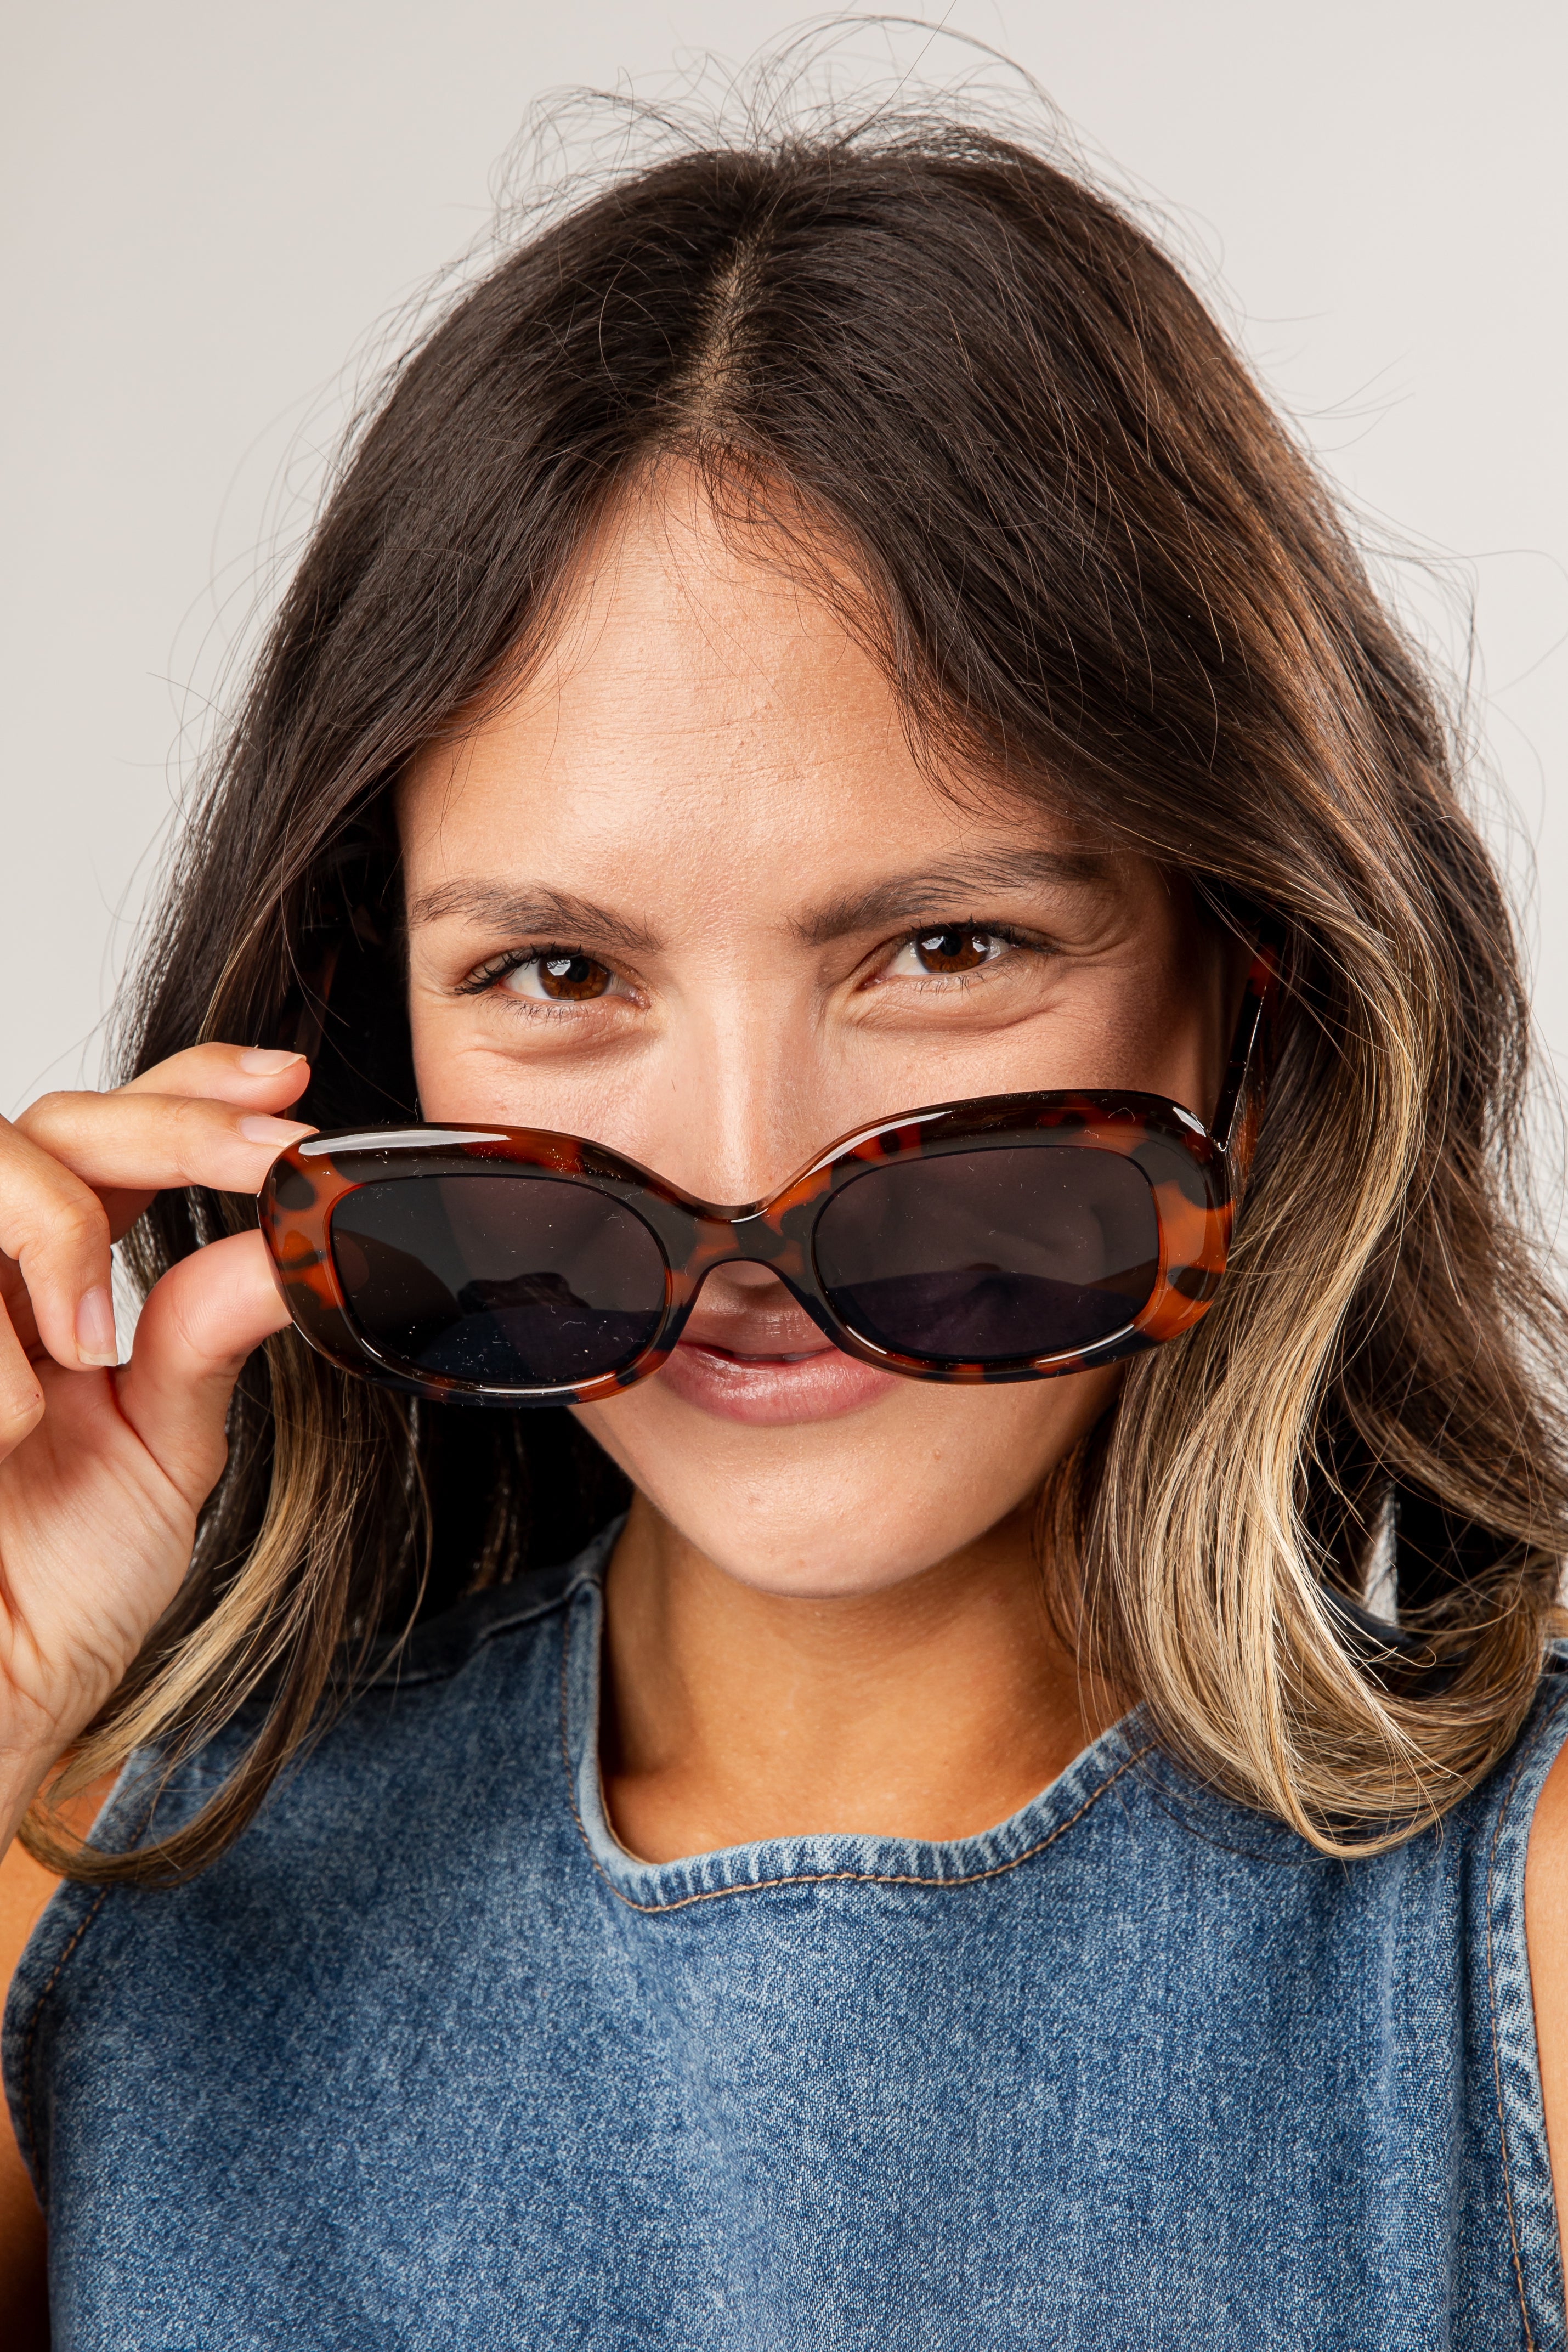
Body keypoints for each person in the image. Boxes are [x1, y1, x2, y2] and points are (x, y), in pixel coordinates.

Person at [2, 116, 1567, 2349]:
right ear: (381, 1048)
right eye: (557, 973)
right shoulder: (77, 1889)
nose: (739, 1169)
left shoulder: (1515, 1936)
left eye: (940, 947)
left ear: (1246, 975)